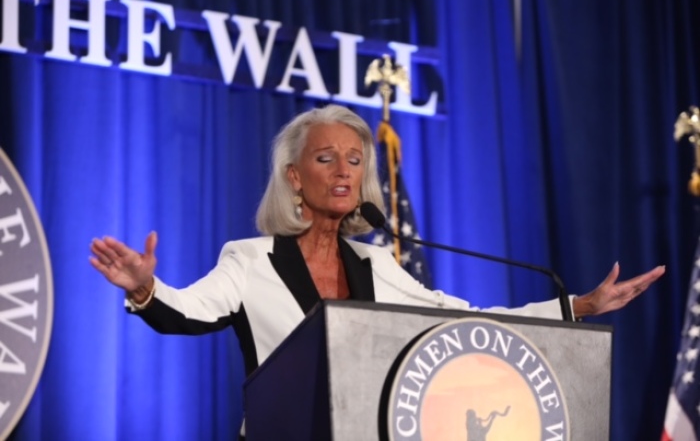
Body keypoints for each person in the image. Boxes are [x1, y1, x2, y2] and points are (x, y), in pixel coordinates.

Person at [89, 104, 664, 432]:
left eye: (355, 160)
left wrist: (579, 307)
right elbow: (188, 312)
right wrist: (144, 288)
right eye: (325, 158)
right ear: (294, 176)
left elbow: (465, 322)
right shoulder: (250, 258)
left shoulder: (376, 263)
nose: (344, 171)